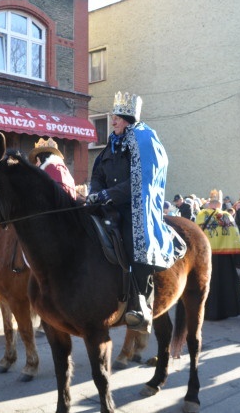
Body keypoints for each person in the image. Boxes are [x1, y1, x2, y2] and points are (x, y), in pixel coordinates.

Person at [88, 91, 177, 333]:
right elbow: (97, 175)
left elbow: (141, 181)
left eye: (116, 117)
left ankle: (140, 303)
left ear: (126, 118)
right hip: (106, 206)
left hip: (132, 208)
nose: (113, 121)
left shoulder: (142, 140)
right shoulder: (110, 146)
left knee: (134, 242)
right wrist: (95, 193)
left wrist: (109, 194)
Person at [196, 189, 240, 320]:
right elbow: (235, 235)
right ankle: (224, 311)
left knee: (207, 283)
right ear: (220, 204)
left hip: (206, 256)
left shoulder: (201, 215)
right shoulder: (227, 216)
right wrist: (238, 257)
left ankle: (206, 311)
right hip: (224, 256)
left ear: (209, 203)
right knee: (224, 283)